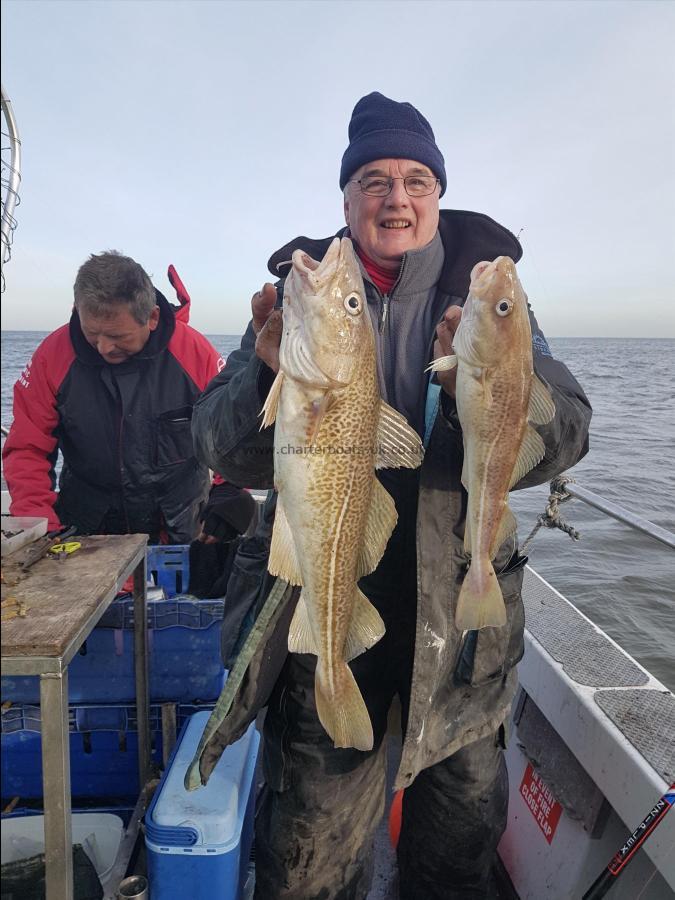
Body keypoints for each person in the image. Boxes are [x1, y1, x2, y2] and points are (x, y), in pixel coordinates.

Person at [190, 93, 592, 899]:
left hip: (460, 644)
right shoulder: (298, 300)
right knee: (307, 864)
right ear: (345, 199)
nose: (394, 198)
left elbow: (570, 428)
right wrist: (269, 371)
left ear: (437, 195)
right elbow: (221, 447)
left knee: (455, 861)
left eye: (414, 179)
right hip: (328, 613)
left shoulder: (491, 303)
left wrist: (489, 401)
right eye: (372, 180)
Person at [2, 250, 231, 545]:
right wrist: (40, 524)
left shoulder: (193, 353)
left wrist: (228, 491)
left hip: (180, 528)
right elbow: (27, 448)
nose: (103, 348)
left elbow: (230, 431)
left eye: (117, 337)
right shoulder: (53, 356)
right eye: (91, 334)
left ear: (152, 317)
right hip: (85, 533)